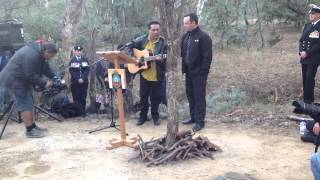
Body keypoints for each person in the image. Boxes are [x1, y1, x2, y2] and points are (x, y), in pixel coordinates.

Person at [0, 41, 58, 138]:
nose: (50, 58)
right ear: (46, 52)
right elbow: (30, 74)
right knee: (25, 103)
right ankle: (30, 130)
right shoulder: (31, 55)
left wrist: (55, 77)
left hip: (22, 79)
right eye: (50, 56)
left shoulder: (40, 53)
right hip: (14, 79)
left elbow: (46, 68)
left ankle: (33, 126)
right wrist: (44, 83)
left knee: (29, 101)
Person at [129, 21, 167, 126]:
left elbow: (168, 56)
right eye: (153, 30)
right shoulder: (141, 40)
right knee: (143, 97)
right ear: (149, 30)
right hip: (144, 74)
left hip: (157, 74)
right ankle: (143, 116)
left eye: (157, 30)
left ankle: (155, 116)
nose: (155, 32)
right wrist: (135, 59)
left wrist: (162, 59)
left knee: (156, 98)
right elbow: (130, 48)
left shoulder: (163, 42)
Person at [181, 13, 213, 132]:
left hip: (199, 74)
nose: (184, 25)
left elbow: (207, 57)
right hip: (188, 73)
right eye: (184, 23)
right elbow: (183, 55)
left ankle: (200, 121)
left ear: (194, 22)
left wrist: (202, 72)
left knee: (199, 97)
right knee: (190, 96)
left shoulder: (203, 37)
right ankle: (193, 117)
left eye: (186, 23)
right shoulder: (185, 37)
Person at [299, 5, 320, 104]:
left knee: (309, 77)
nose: (311, 15)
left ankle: (308, 100)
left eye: (313, 14)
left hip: (314, 57)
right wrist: (301, 51)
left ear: (319, 15)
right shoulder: (307, 25)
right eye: (310, 14)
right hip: (304, 57)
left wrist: (307, 52)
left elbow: (318, 44)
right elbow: (301, 40)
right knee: (304, 77)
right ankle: (306, 99)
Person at [69, 45, 90, 117]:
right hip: (75, 82)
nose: (79, 52)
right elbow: (72, 71)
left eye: (80, 51)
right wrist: (78, 79)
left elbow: (87, 70)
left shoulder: (85, 59)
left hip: (84, 82)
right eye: (77, 51)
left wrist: (82, 78)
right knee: (76, 97)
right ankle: (77, 112)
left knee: (83, 96)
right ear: (74, 52)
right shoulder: (72, 60)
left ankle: (83, 112)